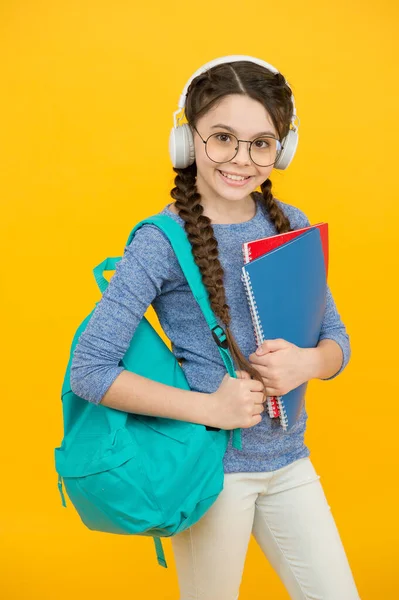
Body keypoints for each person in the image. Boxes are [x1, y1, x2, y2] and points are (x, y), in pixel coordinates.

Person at [69, 57, 361, 600]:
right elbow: (89, 371)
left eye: (262, 143)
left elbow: (337, 338)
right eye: (223, 138)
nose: (241, 159)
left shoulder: (291, 224)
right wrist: (209, 409)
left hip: (290, 461)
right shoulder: (160, 242)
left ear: (283, 149)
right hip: (211, 474)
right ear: (188, 139)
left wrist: (309, 363)